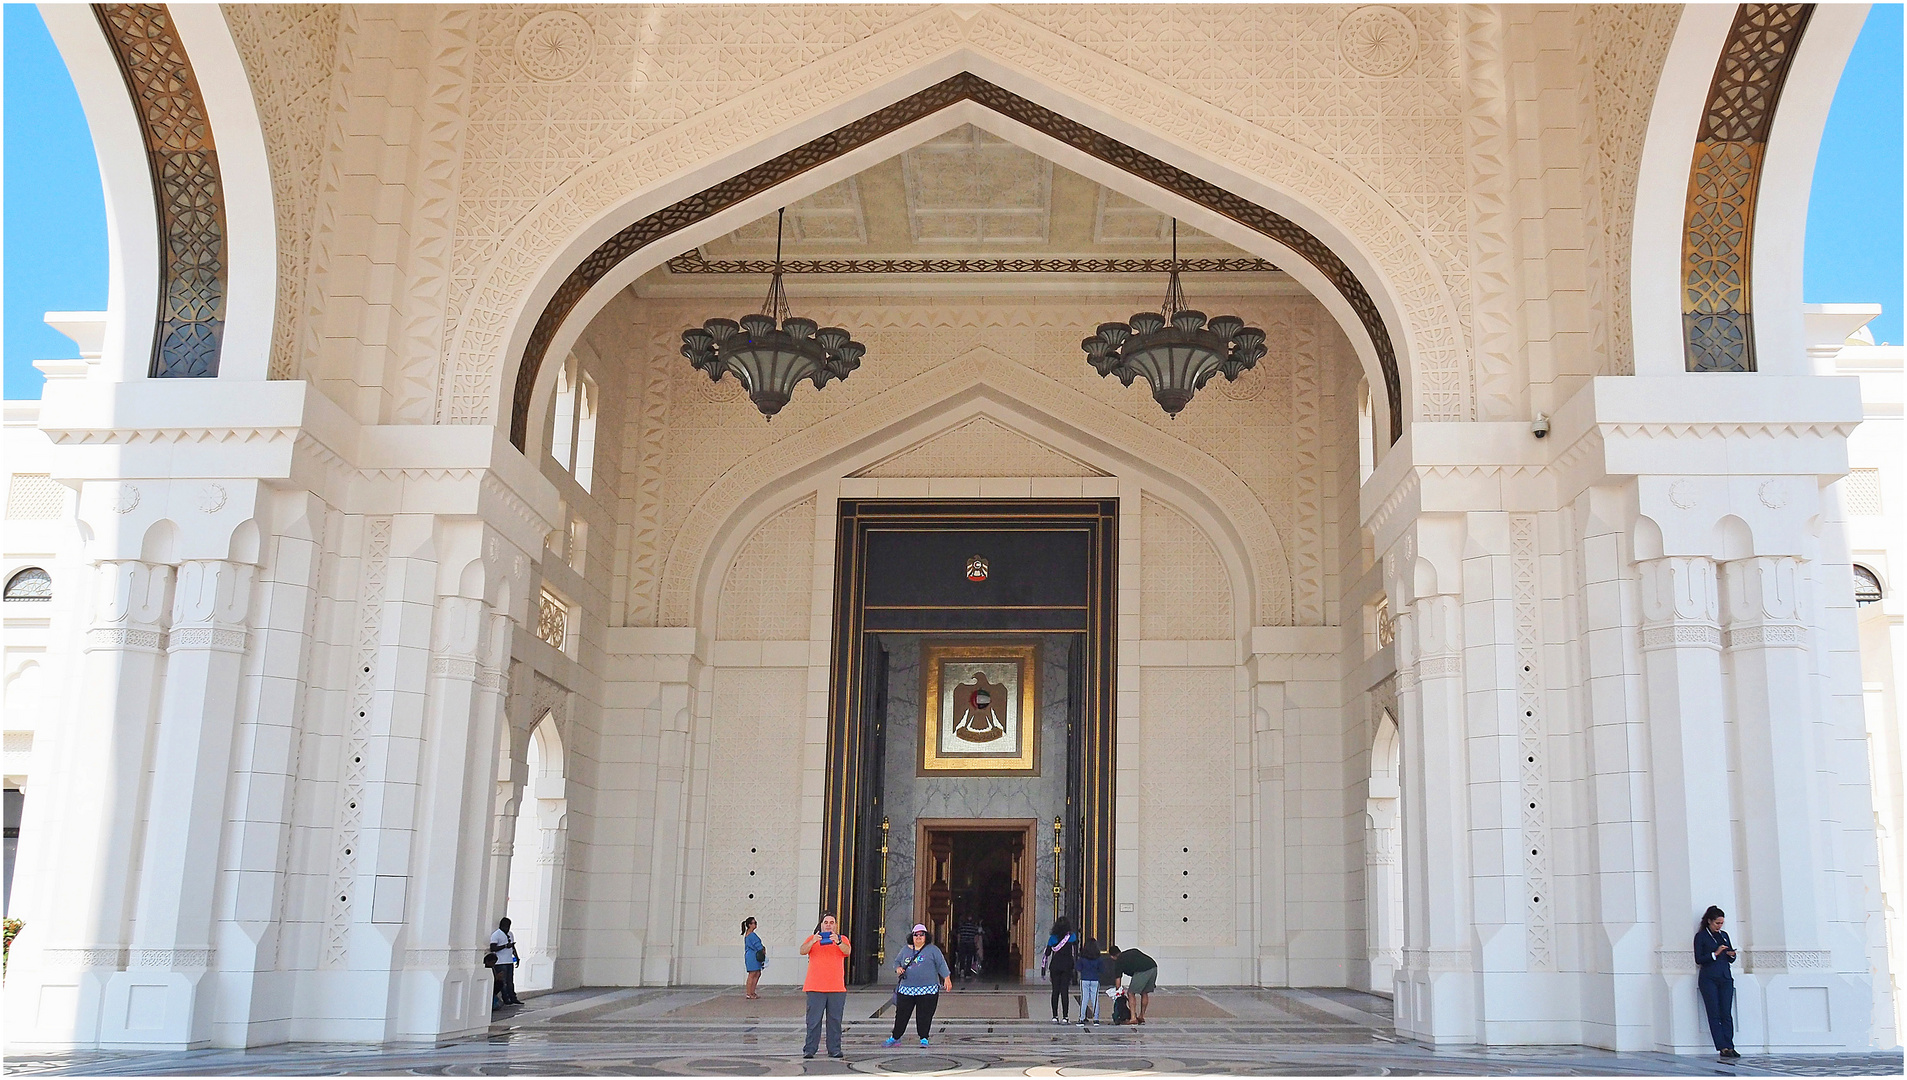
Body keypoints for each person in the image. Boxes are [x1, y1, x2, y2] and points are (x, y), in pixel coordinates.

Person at [883, 924, 953, 1048]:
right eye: (916, 935)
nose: (919, 937)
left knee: (924, 1015)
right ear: (912, 936)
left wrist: (946, 978)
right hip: (907, 990)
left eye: (922, 935)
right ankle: (895, 1037)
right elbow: (896, 962)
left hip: (928, 989)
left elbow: (941, 964)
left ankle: (924, 1038)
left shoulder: (933, 950)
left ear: (926, 937)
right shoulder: (905, 950)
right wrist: (898, 968)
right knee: (901, 1015)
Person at [800, 912, 852, 1059]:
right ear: (821, 924)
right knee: (813, 1021)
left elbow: (847, 951)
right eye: (826, 922)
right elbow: (802, 950)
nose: (828, 924)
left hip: (836, 988)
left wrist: (838, 942)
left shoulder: (842, 939)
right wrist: (813, 941)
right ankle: (810, 1049)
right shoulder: (812, 939)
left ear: (835, 925)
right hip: (815, 987)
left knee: (835, 1021)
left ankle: (834, 1049)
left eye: (831, 922)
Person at [1695, 906, 1740, 1061]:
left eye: (1721, 923)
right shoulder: (1701, 937)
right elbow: (1699, 959)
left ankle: (1730, 1044)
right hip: (1709, 978)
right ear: (1709, 921)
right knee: (1714, 1013)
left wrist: (1731, 955)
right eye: (1717, 923)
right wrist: (1715, 954)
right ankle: (1722, 1046)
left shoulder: (1724, 936)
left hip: (1725, 977)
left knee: (1726, 1013)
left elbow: (1730, 959)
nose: (1719, 926)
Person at [1107, 944, 1158, 1024]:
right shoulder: (1132, 951)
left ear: (1112, 956)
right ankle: (1141, 1016)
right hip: (1153, 966)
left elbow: (1118, 981)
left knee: (1130, 993)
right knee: (1144, 992)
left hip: (1142, 970)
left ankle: (1133, 1018)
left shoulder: (1118, 961)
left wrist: (1118, 992)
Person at [1042, 916, 1078, 1023]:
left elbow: (1047, 953)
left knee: (1055, 991)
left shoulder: (1053, 938)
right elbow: (1076, 948)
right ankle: (1065, 1017)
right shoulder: (1071, 937)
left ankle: (1054, 1016)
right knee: (1064, 991)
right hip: (1067, 966)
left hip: (1055, 966)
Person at [489, 917, 523, 1006]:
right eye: (506, 926)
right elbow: (493, 948)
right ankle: (506, 998)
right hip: (500, 962)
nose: (507, 928)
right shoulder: (496, 935)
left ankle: (513, 997)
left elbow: (512, 946)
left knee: (510, 981)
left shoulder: (510, 934)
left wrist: (516, 956)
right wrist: (505, 946)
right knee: (503, 982)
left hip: (509, 960)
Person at [1076, 937, 1103, 1027]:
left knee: (1084, 999)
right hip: (1095, 979)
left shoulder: (1083, 957)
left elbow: (1078, 968)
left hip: (1085, 979)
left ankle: (1082, 1018)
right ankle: (1096, 1019)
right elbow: (1102, 969)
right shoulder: (1098, 958)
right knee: (1095, 999)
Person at [742, 917, 766, 999]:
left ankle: (752, 991)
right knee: (752, 974)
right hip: (753, 956)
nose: (755, 924)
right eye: (754, 923)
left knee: (757, 973)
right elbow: (757, 945)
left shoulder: (749, 934)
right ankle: (749, 993)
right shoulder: (751, 935)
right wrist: (762, 949)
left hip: (752, 955)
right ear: (749, 925)